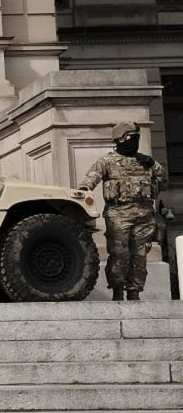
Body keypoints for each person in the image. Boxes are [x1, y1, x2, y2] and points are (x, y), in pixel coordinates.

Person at [78, 123, 168, 301]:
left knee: (140, 255)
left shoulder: (146, 161)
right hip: (119, 216)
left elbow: (163, 182)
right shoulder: (108, 161)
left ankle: (134, 291)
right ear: (120, 139)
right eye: (130, 137)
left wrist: (153, 165)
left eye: (136, 138)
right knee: (120, 254)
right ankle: (117, 289)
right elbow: (90, 179)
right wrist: (84, 189)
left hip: (144, 216)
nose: (134, 141)